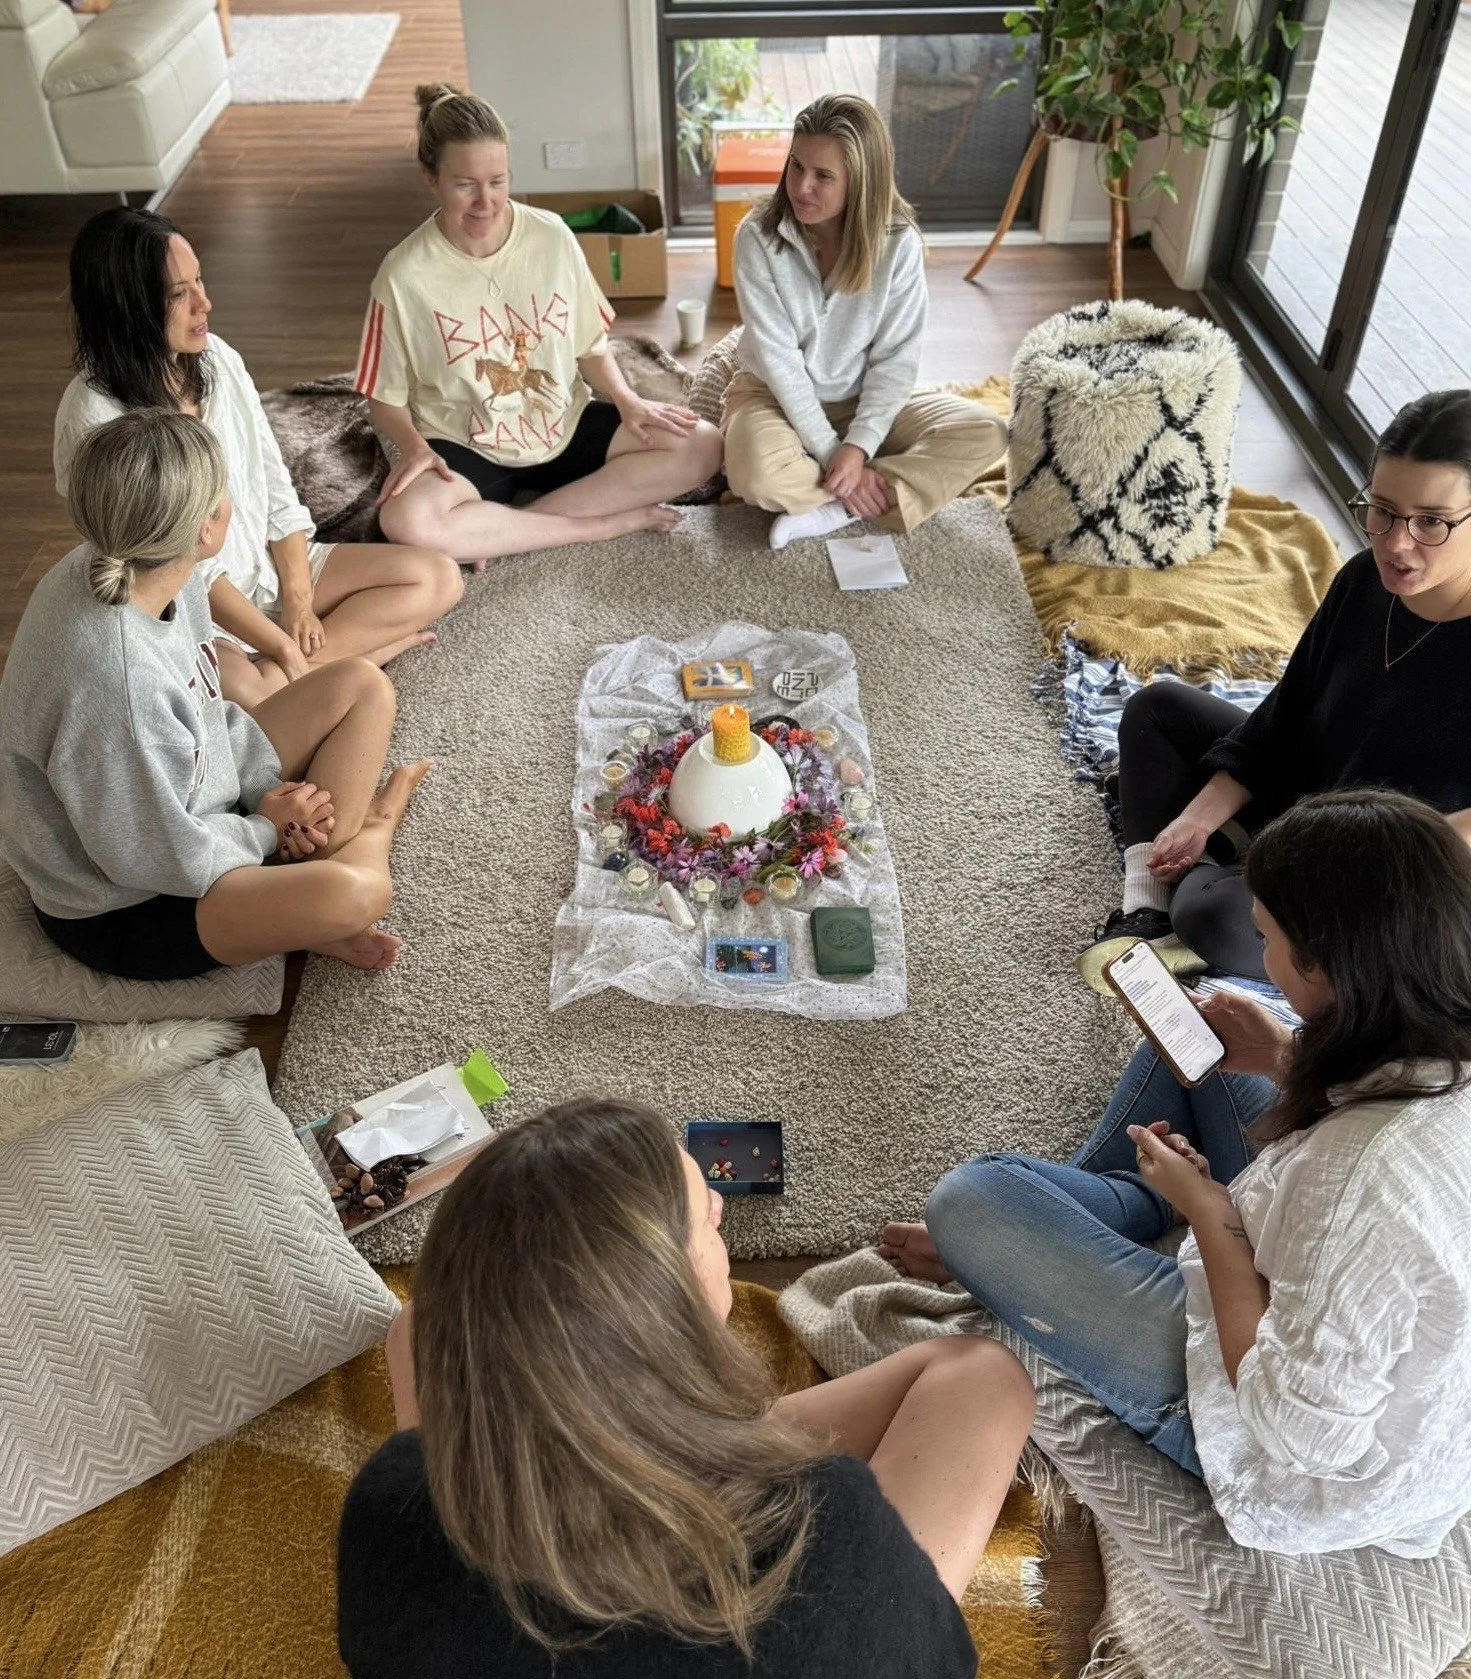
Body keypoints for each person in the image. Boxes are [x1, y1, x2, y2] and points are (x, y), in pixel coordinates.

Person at [881, 790, 1471, 1557]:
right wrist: (1283, 1054)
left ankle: (1057, 1229)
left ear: (1328, 964)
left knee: (972, 1201)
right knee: (1198, 1045)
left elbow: (1297, 1431)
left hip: (1294, 1450)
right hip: (1358, 1283)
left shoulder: (1362, 1176)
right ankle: (1098, 1212)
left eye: (1264, 938)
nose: (1259, 957)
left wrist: (1209, 1214)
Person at [338, 1097, 1037, 1678]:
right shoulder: (829, 1521)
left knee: (415, 1323)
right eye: (704, 1216)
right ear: (663, 1310)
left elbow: (424, 1322)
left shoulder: (392, 1503)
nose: (719, 1210)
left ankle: (640, 1424)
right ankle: (675, 1432)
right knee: (984, 1375)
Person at [1, 410, 431, 980]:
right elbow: (154, 859)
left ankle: (299, 904)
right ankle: (371, 835)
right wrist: (265, 829)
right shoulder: (120, 686)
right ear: (205, 528)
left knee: (363, 685)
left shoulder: (139, 563)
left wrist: (267, 791)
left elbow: (207, 717)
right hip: (129, 905)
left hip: (186, 820)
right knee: (358, 894)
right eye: (223, 491)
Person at [1080, 387, 1471, 986]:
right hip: (1307, 788)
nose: (1396, 542)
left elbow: (1449, 845)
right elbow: (1287, 712)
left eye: (1431, 523)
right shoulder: (1365, 579)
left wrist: (1303, 864)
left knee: (1219, 917)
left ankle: (1198, 886)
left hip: (1385, 869)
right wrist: (1201, 814)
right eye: (1383, 510)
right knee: (1156, 708)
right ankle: (1151, 906)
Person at [54, 206, 464, 712]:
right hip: (192, 607)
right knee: (244, 691)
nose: (205, 303)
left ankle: (300, 677)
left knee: (439, 577)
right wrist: (280, 643)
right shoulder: (93, 415)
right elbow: (171, 566)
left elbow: (273, 484)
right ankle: (339, 662)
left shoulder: (218, 358)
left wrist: (297, 598)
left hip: (270, 567)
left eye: (198, 280)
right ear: (127, 309)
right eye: (178, 295)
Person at [358, 84, 723, 569]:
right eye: (465, 183)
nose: (485, 201)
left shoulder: (552, 236)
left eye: (498, 180)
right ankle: (593, 525)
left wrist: (628, 401)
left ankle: (505, 529)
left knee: (702, 445)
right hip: (466, 444)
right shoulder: (402, 275)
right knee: (406, 522)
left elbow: (591, 347)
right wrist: (414, 448)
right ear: (431, 178)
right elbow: (383, 399)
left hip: (563, 425)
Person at [722, 93, 1006, 552]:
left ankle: (833, 505)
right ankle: (870, 494)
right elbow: (780, 361)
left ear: (862, 182)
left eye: (823, 176)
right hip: (772, 394)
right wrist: (836, 452)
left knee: (986, 432)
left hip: (861, 396)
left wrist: (860, 445)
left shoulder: (899, 245)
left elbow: (895, 360)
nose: (801, 187)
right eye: (796, 166)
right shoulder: (758, 237)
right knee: (755, 473)